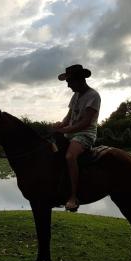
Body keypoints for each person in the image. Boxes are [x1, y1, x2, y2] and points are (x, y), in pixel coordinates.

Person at [52, 64, 101, 212]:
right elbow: (69, 117)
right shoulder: (76, 95)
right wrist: (60, 125)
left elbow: (85, 122)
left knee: (69, 156)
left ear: (79, 80)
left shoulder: (93, 96)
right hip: (71, 133)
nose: (68, 86)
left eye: (69, 82)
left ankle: (73, 196)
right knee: (52, 150)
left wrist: (65, 129)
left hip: (85, 134)